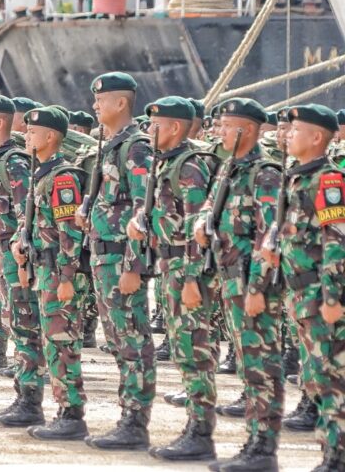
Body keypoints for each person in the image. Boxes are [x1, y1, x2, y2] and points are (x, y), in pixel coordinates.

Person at [128, 96, 219, 461]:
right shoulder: (164, 166)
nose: (150, 131)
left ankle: (200, 432)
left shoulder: (188, 168)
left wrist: (194, 279)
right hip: (171, 269)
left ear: (176, 128)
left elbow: (199, 227)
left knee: (194, 350)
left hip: (186, 270)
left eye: (156, 125)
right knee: (183, 349)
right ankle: (194, 427)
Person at [194, 98, 283, 472]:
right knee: (250, 366)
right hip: (230, 281)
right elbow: (214, 214)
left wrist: (258, 289)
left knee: (261, 367)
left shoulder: (265, 174)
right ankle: (253, 443)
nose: (217, 132)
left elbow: (269, 239)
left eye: (225, 126)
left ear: (245, 130)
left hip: (251, 286)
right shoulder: (230, 169)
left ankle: (263, 450)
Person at [76, 72, 156, 451]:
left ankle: (135, 422)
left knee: (133, 342)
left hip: (121, 262)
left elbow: (144, 212)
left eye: (101, 99)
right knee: (119, 342)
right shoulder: (109, 145)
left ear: (120, 103)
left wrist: (133, 267)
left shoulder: (135, 147)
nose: (95, 105)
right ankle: (128, 416)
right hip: (103, 259)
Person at [268, 104, 345, 471]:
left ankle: (337, 456)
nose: (287, 134)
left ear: (317, 137)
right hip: (300, 294)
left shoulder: (327, 181)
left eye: (296, 129)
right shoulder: (297, 176)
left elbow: (337, 240)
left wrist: (333, 296)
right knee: (317, 378)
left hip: (319, 296)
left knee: (332, 379)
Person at [13, 106, 90, 441]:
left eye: (33, 132)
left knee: (62, 343)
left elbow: (69, 232)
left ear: (51, 137)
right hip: (44, 270)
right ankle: (60, 408)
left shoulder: (61, 177)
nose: (27, 136)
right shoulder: (40, 173)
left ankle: (72, 414)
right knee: (51, 342)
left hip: (59, 273)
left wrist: (68, 277)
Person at [0, 94, 47, 428]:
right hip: (4, 253)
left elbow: (25, 215)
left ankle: (30, 401)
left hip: (17, 256)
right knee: (16, 324)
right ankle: (23, 396)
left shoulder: (13, 161)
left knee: (26, 327)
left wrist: (20, 261)